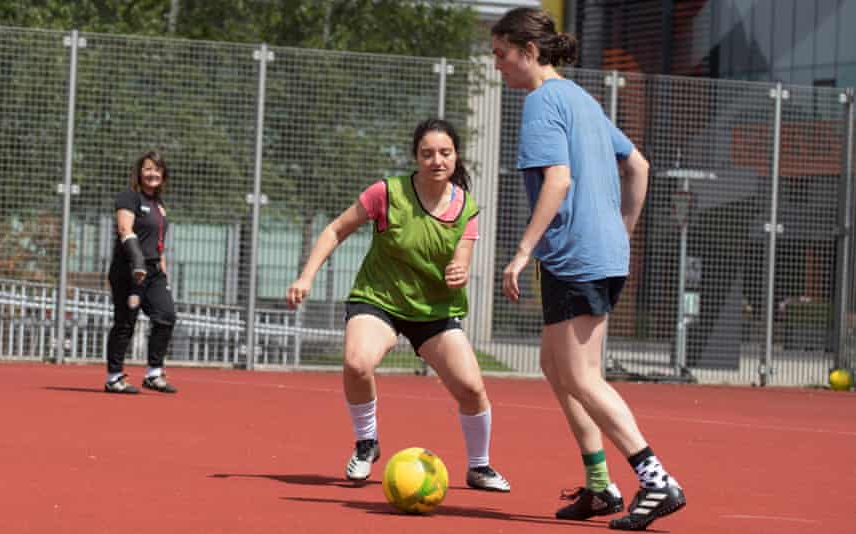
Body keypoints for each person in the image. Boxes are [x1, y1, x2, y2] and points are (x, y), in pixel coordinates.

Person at [491, 7, 685, 531]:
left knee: (581, 375)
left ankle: (656, 479)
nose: (497, 66)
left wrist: (522, 250)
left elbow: (558, 181)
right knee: (557, 369)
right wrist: (621, 230)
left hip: (575, 256)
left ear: (528, 53)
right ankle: (600, 487)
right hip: (593, 255)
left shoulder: (541, 103)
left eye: (501, 55)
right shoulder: (582, 99)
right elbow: (638, 165)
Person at [286, 118, 510, 492]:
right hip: (380, 300)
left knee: (471, 389)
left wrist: (459, 270)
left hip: (434, 311)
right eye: (428, 154)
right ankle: (366, 444)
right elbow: (336, 229)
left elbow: (463, 256)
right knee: (357, 363)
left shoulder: (466, 206)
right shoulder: (387, 193)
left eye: (445, 153)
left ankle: (479, 466)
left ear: (456, 156)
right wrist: (306, 276)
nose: (437, 160)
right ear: (415, 157)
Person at [104, 150, 178, 394]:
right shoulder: (129, 197)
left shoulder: (159, 205)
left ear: (163, 175)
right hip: (129, 270)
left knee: (166, 315)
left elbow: (159, 242)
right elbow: (125, 229)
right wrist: (136, 261)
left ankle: (153, 373)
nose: (152, 174)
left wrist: (163, 274)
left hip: (154, 271)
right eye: (147, 169)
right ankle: (114, 377)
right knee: (126, 323)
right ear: (139, 172)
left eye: (157, 170)